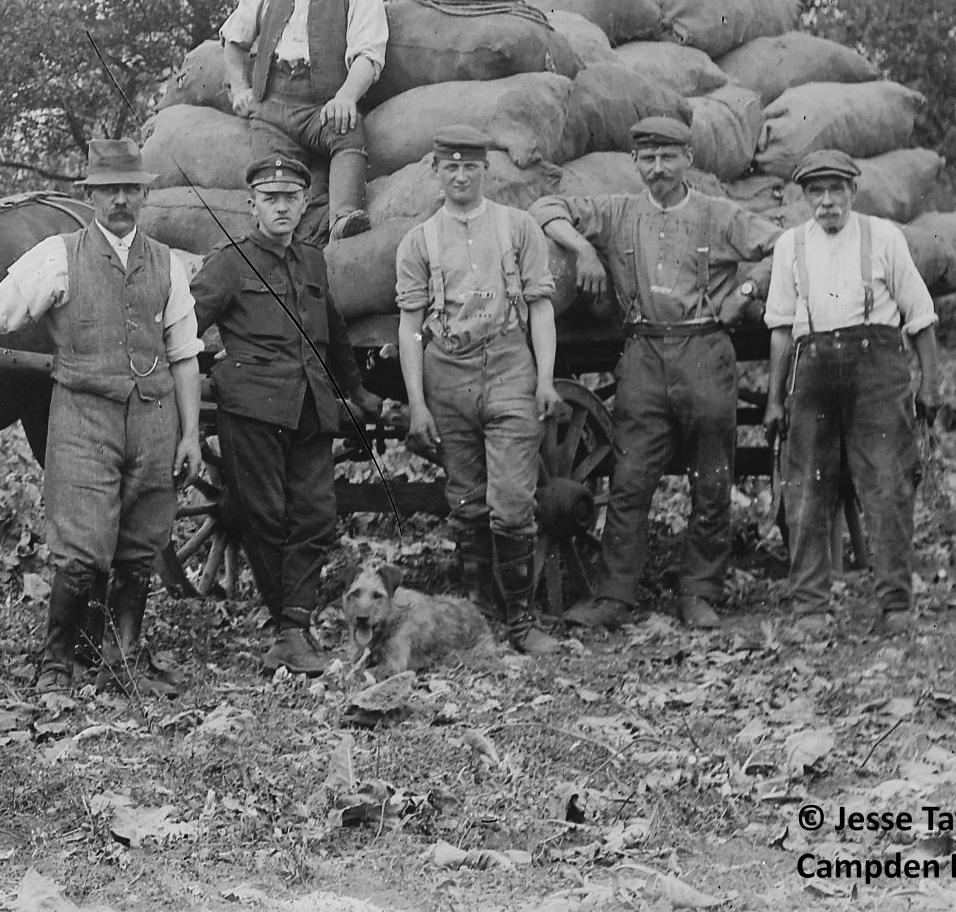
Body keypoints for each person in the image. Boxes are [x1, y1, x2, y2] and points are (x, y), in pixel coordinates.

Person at [0, 139, 205, 695]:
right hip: (84, 417)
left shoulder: (167, 266)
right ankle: (57, 661)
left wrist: (192, 433)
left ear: (144, 195)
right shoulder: (58, 255)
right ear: (91, 196)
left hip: (153, 419)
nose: (120, 200)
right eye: (109, 190)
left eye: (130, 189)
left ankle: (124, 656)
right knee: (81, 547)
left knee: (140, 544)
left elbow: (184, 352)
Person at [537, 117, 784, 631]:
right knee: (630, 480)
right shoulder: (619, 212)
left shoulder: (718, 215)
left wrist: (745, 293)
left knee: (712, 478)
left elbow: (781, 246)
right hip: (643, 352)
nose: (658, 169)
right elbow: (546, 209)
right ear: (635, 164)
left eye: (668, 158)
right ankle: (615, 596)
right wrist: (583, 249)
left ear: (688, 159)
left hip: (705, 351)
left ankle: (699, 593)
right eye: (647, 159)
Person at [191, 149, 386, 675]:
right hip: (253, 408)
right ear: (252, 205)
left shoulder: (313, 260)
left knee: (317, 517)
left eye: (291, 199)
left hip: (310, 407)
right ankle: (291, 631)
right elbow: (183, 327)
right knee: (264, 518)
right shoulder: (228, 262)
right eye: (270, 199)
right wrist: (200, 373)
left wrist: (355, 389)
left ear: (304, 206)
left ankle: (291, 627)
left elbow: (334, 330)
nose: (281, 207)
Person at [396, 124, 564, 657]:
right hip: (447, 373)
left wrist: (543, 379)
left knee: (512, 504)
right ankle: (478, 618)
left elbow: (540, 305)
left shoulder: (518, 229)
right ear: (437, 172)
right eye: (451, 166)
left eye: (471, 165)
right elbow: (409, 327)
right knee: (466, 503)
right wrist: (418, 403)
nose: (462, 175)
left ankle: (521, 622)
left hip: (510, 366)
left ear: (486, 171)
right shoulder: (418, 240)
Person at [760, 151, 940, 640]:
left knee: (887, 486)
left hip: (876, 369)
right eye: (815, 192)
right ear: (804, 198)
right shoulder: (789, 246)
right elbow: (780, 330)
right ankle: (810, 610)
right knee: (806, 493)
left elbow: (920, 317)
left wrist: (930, 384)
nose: (825, 202)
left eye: (834, 190)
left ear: (852, 193)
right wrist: (775, 399)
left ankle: (895, 605)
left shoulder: (884, 237)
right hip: (813, 371)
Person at [217, 0, 388, 241]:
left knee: (348, 132)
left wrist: (345, 97)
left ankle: (342, 217)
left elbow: (368, 56)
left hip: (322, 106)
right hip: (274, 105)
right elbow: (234, 42)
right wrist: (240, 89)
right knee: (271, 178)